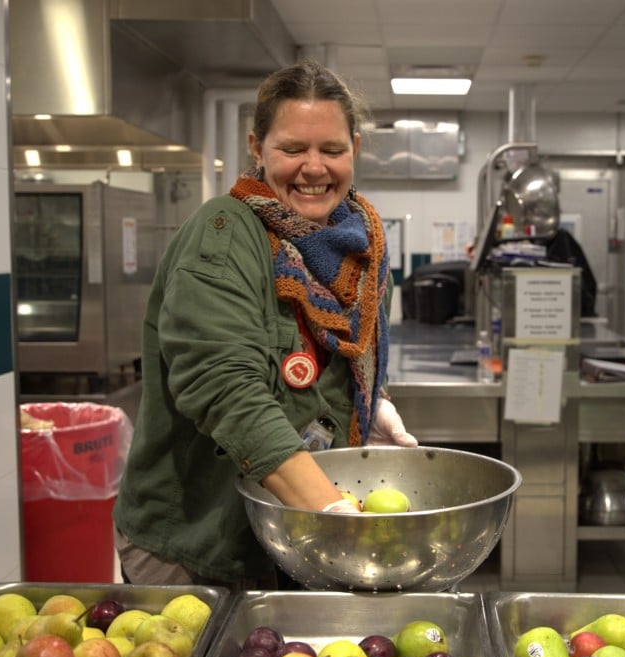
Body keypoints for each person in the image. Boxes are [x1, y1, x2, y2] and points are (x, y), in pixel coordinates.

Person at [112, 59, 418, 589]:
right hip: (201, 542)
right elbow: (226, 389)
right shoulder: (224, 233)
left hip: (293, 536)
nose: (314, 168)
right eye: (292, 150)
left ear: (356, 150)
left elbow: (347, 352)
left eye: (332, 150)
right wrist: (331, 511)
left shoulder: (360, 248)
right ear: (257, 148)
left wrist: (375, 403)